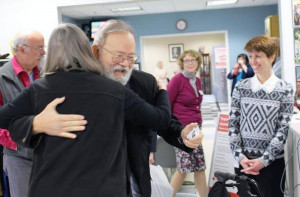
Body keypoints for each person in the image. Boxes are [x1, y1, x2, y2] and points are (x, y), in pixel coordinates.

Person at [2, 20, 203, 197]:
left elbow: (161, 121)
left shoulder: (144, 82)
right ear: (96, 51)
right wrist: (36, 123)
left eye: (131, 57)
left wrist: (181, 132)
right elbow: (12, 121)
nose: (125, 64)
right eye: (118, 56)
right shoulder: (59, 87)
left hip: (130, 182)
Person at [228, 35, 294, 197]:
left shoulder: (285, 89)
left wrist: (263, 161)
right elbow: (233, 124)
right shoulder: (241, 87)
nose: (253, 61)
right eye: (250, 56)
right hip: (243, 163)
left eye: (258, 56)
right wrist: (240, 157)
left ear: (272, 57)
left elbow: (282, 129)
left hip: (272, 165)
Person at [0, 29, 45, 197]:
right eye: (39, 48)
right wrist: (18, 142)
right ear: (22, 49)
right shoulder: (2, 77)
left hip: (45, 154)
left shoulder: (44, 72)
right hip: (18, 158)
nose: (44, 52)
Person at [167, 49, 207, 197]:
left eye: (193, 60)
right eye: (187, 60)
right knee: (184, 169)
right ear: (182, 63)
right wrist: (172, 128)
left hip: (196, 129)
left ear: (198, 63)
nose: (190, 63)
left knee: (199, 166)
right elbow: (167, 104)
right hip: (182, 130)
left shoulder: (196, 80)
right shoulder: (177, 80)